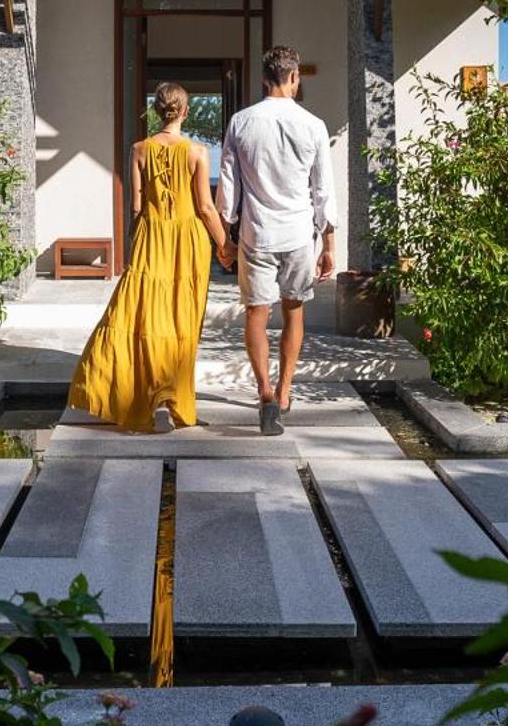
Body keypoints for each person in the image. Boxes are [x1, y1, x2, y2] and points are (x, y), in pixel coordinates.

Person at [67, 81, 228, 433]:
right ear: (185, 111)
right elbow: (204, 206)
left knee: (141, 317)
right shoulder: (198, 152)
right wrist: (223, 243)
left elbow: (136, 206)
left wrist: (132, 243)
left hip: (150, 237)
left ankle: (139, 394)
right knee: (182, 321)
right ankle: (175, 400)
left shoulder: (138, 149)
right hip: (188, 242)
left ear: (157, 111)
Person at [217, 46, 336, 436]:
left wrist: (227, 237)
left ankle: (264, 392)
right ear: (294, 77)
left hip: (257, 232)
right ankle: (285, 392)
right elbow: (323, 190)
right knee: (294, 312)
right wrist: (329, 244)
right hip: (299, 233)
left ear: (264, 79)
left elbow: (230, 188)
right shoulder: (314, 125)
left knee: (256, 313)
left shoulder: (241, 122)